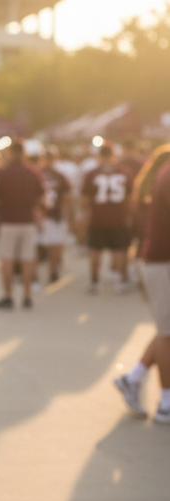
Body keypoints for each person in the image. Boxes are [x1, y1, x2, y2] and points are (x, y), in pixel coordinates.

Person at [114, 145, 170, 424]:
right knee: (167, 333)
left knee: (166, 330)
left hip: (158, 260)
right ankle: (166, 402)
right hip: (162, 261)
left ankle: (132, 378)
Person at [0, 140, 45, 309]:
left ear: (10, 153)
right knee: (27, 259)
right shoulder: (32, 172)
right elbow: (41, 196)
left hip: (8, 220)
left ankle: (8, 296)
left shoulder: (4, 172)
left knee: (7, 259)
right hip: (27, 220)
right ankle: (27, 295)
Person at [81, 142, 134, 293]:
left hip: (98, 217)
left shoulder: (92, 173)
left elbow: (85, 200)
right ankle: (120, 280)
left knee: (95, 250)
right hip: (119, 217)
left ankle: (94, 282)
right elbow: (131, 197)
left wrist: (87, 215)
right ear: (114, 156)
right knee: (119, 250)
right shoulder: (124, 172)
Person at [36, 147, 71, 283]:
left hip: (48, 214)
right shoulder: (58, 175)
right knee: (53, 244)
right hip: (51, 214)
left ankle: (50, 271)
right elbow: (67, 197)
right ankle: (53, 270)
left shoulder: (38, 173)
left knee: (48, 245)